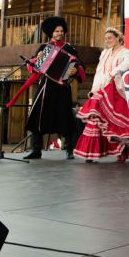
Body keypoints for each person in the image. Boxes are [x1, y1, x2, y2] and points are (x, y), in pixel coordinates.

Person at [74, 27, 129, 162]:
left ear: (118, 38)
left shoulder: (126, 52)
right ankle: (91, 153)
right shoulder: (104, 53)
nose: (107, 41)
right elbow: (99, 72)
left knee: (115, 123)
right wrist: (93, 90)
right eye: (106, 39)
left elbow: (125, 65)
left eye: (110, 38)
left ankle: (122, 151)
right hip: (102, 87)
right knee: (95, 117)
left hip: (114, 89)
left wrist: (112, 73)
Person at [23, 16, 85, 160]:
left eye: (61, 31)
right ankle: (36, 150)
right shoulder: (44, 48)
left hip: (62, 87)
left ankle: (69, 149)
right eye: (57, 31)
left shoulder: (69, 49)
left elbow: (80, 66)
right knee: (38, 116)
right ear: (51, 32)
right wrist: (37, 59)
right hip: (46, 87)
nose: (59, 33)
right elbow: (34, 68)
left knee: (65, 117)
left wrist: (75, 70)